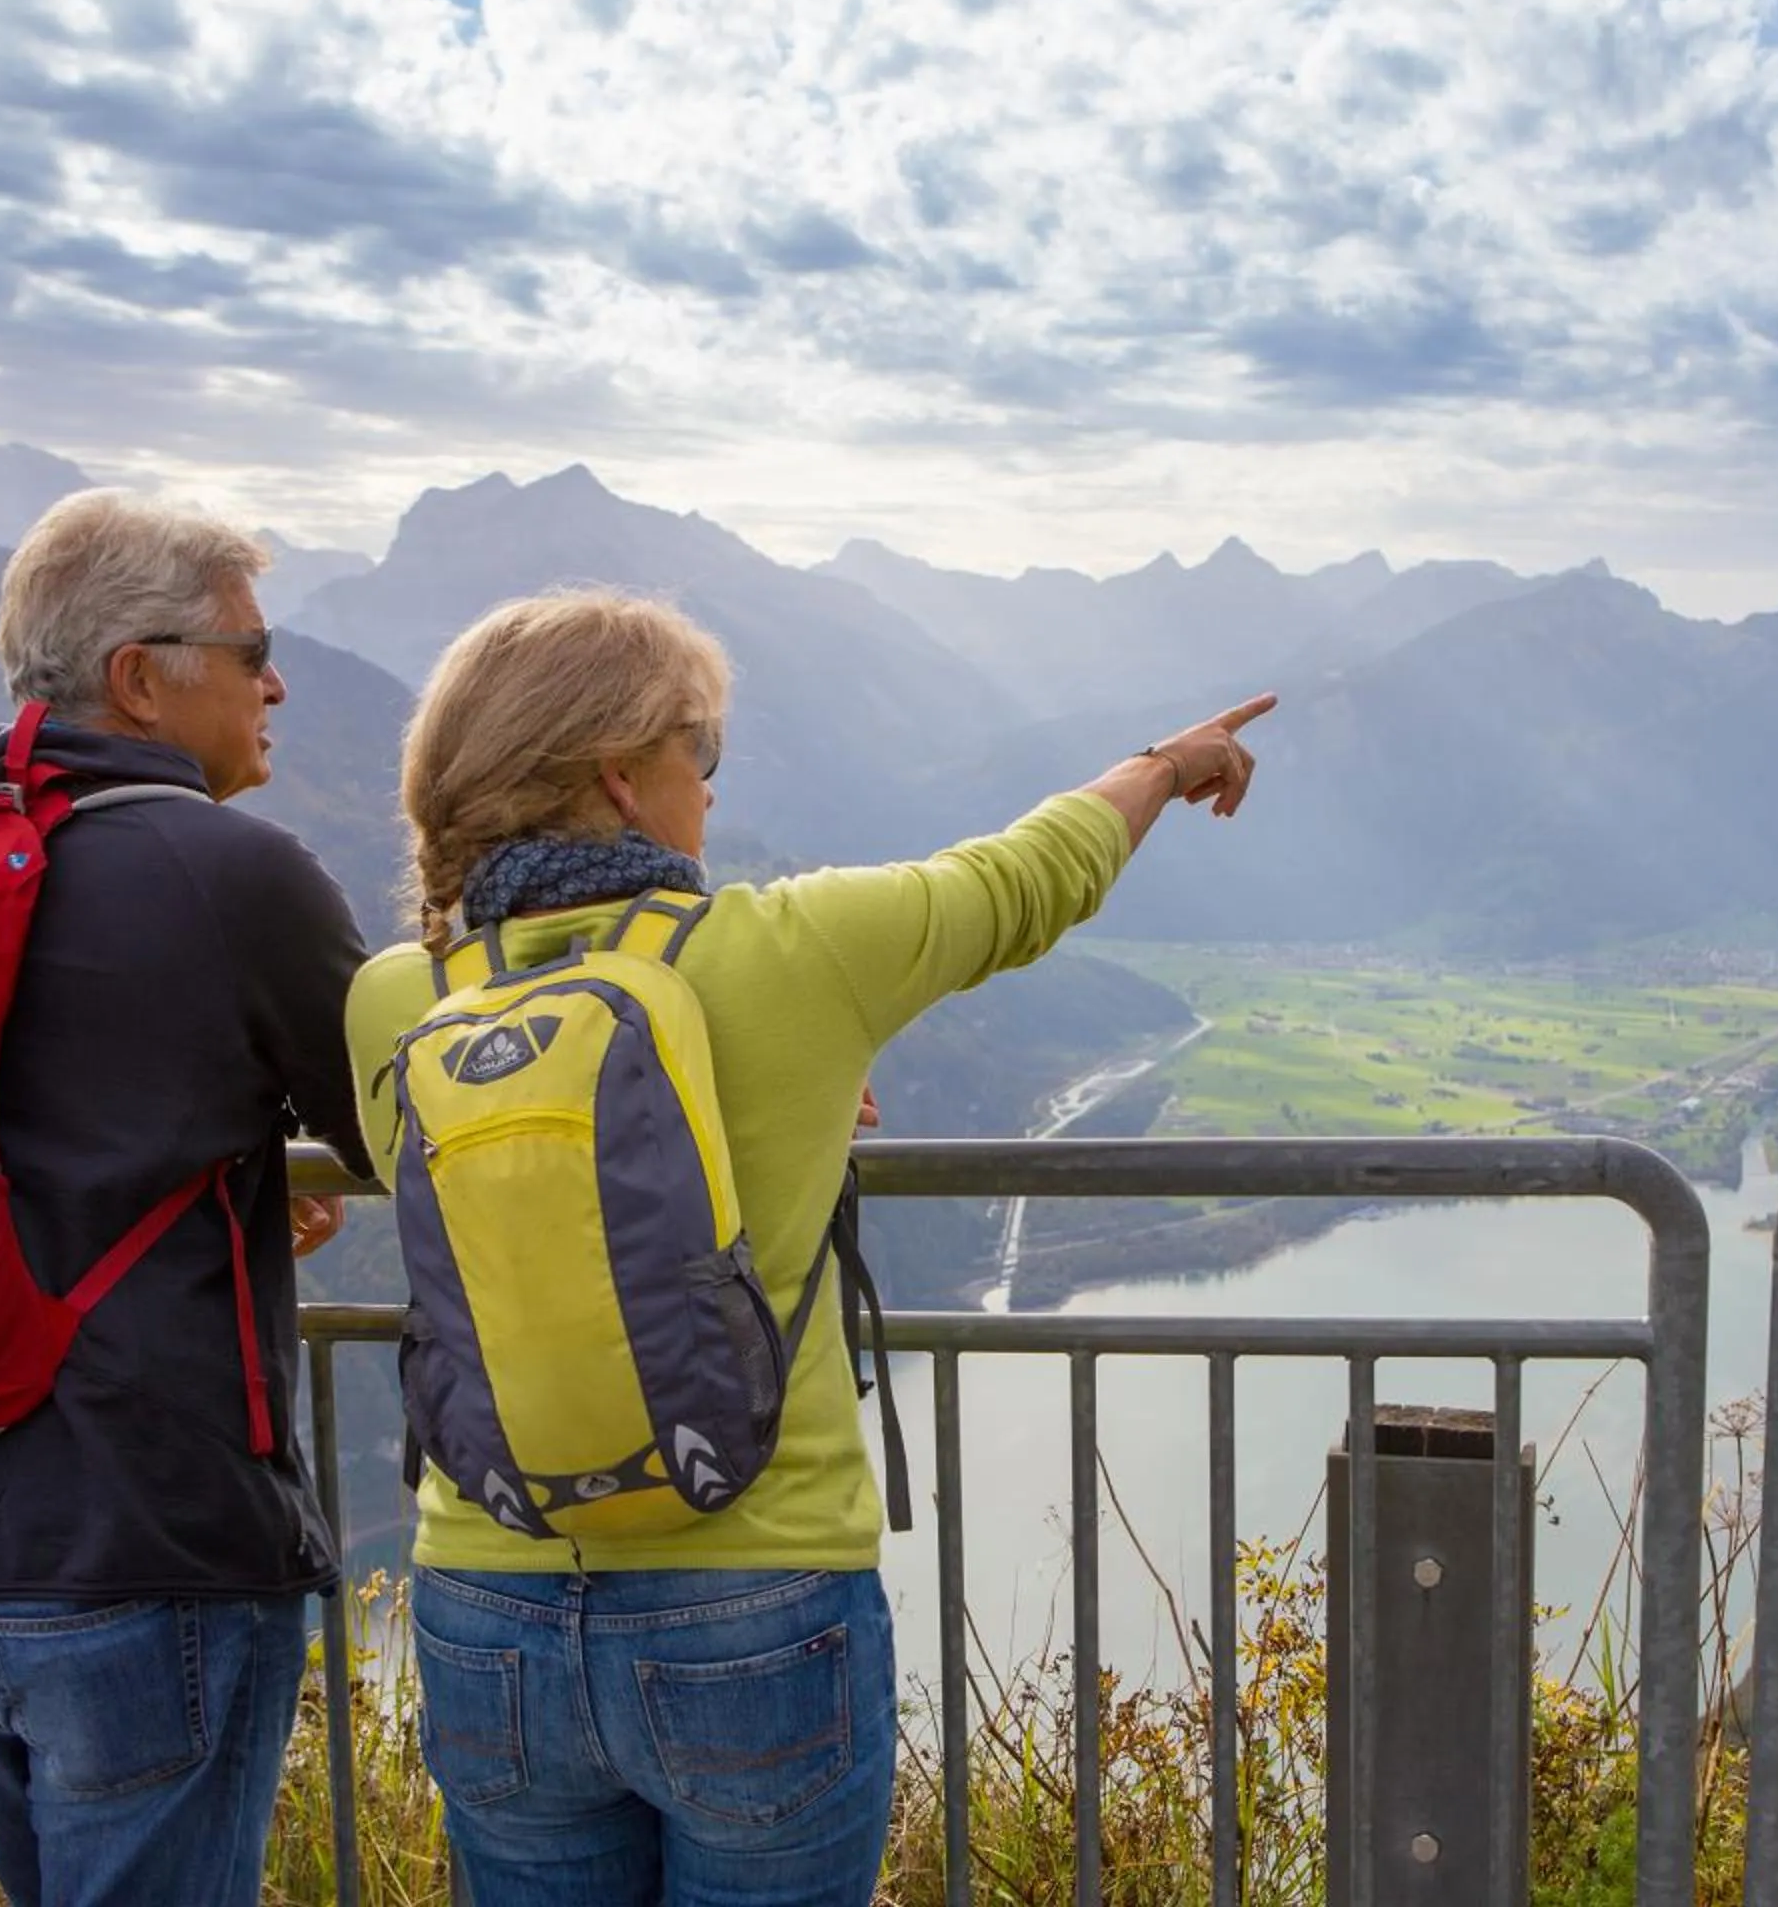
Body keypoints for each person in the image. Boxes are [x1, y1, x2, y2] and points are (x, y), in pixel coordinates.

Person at [344, 588, 1269, 1906]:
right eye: (701, 757)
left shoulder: (399, 998)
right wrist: (1167, 765)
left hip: (487, 1601)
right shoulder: (792, 952)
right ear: (622, 774)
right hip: (754, 1594)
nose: (710, 794)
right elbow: (1027, 878)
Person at [0, 490, 372, 1905]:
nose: (277, 680)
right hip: (146, 1554)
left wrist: (228, 1198)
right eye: (252, 649)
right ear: (141, 674)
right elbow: (408, 1130)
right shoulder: (233, 874)